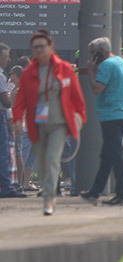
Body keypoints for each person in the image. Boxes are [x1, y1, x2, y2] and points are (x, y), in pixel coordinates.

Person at [12, 31, 86, 215]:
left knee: (53, 157)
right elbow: (20, 100)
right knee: (44, 161)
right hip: (37, 124)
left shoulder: (65, 69)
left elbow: (77, 97)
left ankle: (49, 197)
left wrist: (80, 118)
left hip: (59, 123)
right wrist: (16, 119)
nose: (39, 50)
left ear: (50, 47)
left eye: (42, 46)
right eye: (35, 47)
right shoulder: (29, 73)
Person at [79, 36, 123, 206]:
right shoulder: (120, 61)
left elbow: (97, 88)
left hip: (111, 115)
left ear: (101, 52)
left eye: (93, 53)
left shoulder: (106, 65)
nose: (91, 57)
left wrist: (91, 72)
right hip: (122, 113)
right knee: (108, 155)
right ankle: (95, 191)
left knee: (115, 155)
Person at [0, 42, 17, 198]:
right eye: (6, 56)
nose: (8, 59)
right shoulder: (0, 76)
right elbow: (5, 102)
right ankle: (6, 186)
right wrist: (12, 99)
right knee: (3, 152)